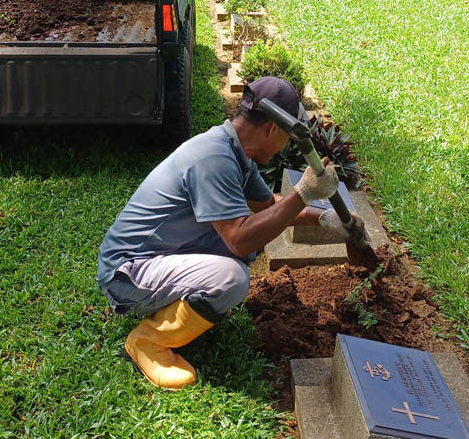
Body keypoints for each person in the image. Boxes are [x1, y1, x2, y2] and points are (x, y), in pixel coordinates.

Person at [97, 76, 365, 390]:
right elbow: (239, 240)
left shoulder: (235, 151)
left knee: (244, 249)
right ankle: (148, 341)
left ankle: (177, 306)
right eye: (287, 140)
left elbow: (266, 206)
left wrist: (325, 219)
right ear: (272, 129)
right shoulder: (214, 159)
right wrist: (303, 193)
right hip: (127, 274)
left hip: (160, 255)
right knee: (231, 277)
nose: (285, 148)